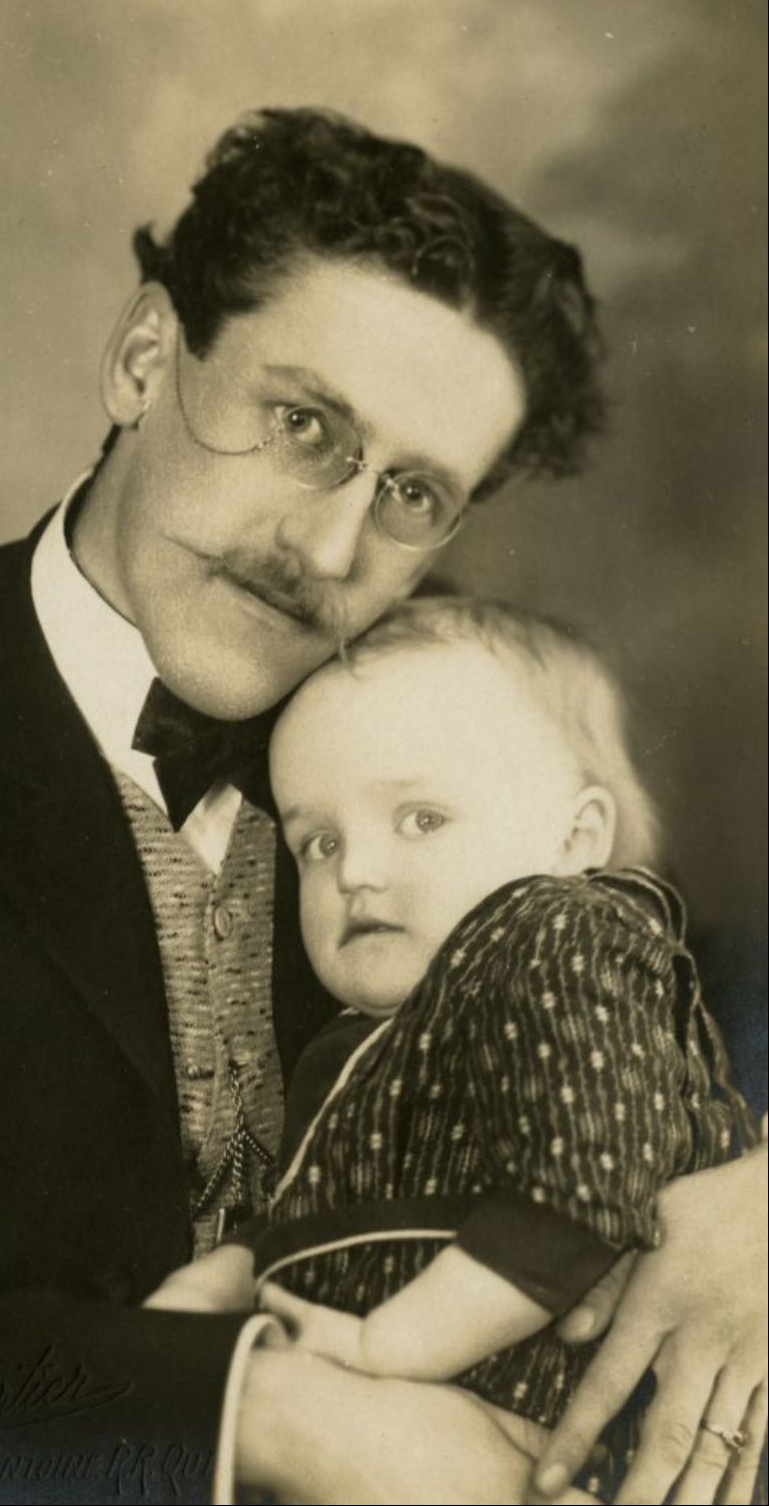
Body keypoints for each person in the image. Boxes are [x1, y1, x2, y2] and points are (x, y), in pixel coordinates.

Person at [0, 108, 765, 1506]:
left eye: (411, 492)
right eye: (304, 426)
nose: (332, 551)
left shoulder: (419, 702)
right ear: (143, 359)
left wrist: (754, 1187)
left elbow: (673, 969)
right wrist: (267, 1414)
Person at [145, 596, 758, 1500]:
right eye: (320, 841)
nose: (355, 871)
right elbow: (324, 1211)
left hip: (551, 1445)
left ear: (575, 837)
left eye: (421, 818)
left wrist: (382, 1346)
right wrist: (227, 1278)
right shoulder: (367, 1039)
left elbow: (583, 1189)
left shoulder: (556, 936)